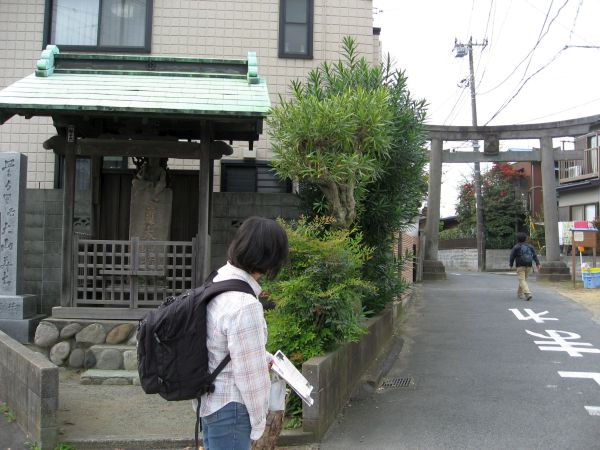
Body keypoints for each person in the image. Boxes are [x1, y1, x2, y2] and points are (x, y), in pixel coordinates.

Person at [196, 216, 289, 450]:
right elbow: (250, 377)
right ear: (270, 258)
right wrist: (259, 423)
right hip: (232, 409)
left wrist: (263, 356)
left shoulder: (217, 281)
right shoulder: (245, 304)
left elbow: (220, 345)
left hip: (210, 401)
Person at [509, 232, 541, 301]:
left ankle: (527, 293)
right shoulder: (530, 246)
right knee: (524, 280)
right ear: (525, 239)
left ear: (517, 239)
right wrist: (538, 263)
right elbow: (534, 255)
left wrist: (511, 264)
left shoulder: (516, 247)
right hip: (529, 265)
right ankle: (519, 294)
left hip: (520, 266)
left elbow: (512, 256)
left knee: (522, 280)